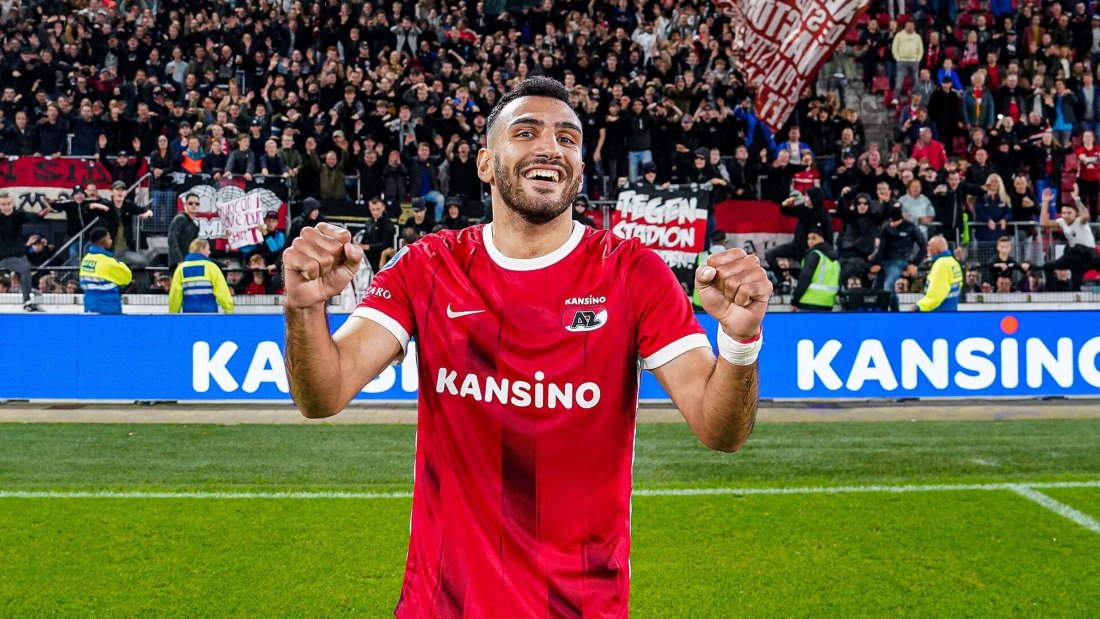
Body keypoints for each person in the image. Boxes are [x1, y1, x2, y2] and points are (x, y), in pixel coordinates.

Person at [281, 77, 770, 616]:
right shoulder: (427, 265)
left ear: (580, 166)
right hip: (442, 605)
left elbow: (721, 431)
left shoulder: (634, 273)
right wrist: (304, 308)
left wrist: (739, 340)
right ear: (486, 164)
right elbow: (322, 395)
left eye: (567, 138)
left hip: (581, 606)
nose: (550, 147)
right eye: (526, 132)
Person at [1039, 186, 1100, 290]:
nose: (1066, 215)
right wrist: (1045, 202)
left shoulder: (1080, 221)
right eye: (1063, 213)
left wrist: (1077, 199)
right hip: (1075, 256)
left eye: (1069, 213)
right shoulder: (1062, 221)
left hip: (1089, 254)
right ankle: (1053, 293)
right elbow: (1044, 222)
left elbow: (1086, 215)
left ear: (1075, 213)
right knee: (1047, 267)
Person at [0, 191, 46, 311]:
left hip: (19, 254)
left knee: (26, 269)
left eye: (8, 204)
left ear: (13, 204)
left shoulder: (18, 215)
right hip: (3, 256)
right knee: (25, 268)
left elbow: (31, 216)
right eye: (3, 204)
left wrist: (40, 215)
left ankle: (27, 296)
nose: (6, 207)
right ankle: (27, 301)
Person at [168, 239, 235, 313]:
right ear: (201, 249)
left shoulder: (181, 269)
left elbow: (175, 295)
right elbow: (222, 292)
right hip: (209, 313)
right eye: (208, 249)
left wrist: (173, 313)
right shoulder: (211, 267)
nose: (210, 252)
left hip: (189, 314)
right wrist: (229, 310)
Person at [79, 227, 132, 314]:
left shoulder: (86, 259)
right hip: (108, 307)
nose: (111, 241)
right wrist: (119, 262)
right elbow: (127, 278)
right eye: (109, 238)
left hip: (90, 307)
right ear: (103, 241)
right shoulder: (108, 261)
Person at [790, 223, 840, 312]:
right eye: (808, 238)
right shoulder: (835, 259)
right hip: (828, 303)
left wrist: (794, 301)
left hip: (808, 302)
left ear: (822, 238)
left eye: (814, 238)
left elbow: (805, 279)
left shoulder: (814, 255)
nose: (810, 241)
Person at [913, 235, 963, 311]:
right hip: (951, 309)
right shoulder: (953, 262)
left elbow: (936, 294)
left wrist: (919, 307)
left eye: (929, 246)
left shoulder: (941, 264)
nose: (927, 248)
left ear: (936, 250)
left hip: (938, 310)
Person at [167, 193, 202, 269]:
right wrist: (179, 261)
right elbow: (172, 240)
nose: (194, 205)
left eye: (197, 203)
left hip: (188, 262)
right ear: (185, 205)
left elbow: (194, 247)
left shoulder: (194, 224)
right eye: (190, 203)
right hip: (179, 264)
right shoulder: (180, 219)